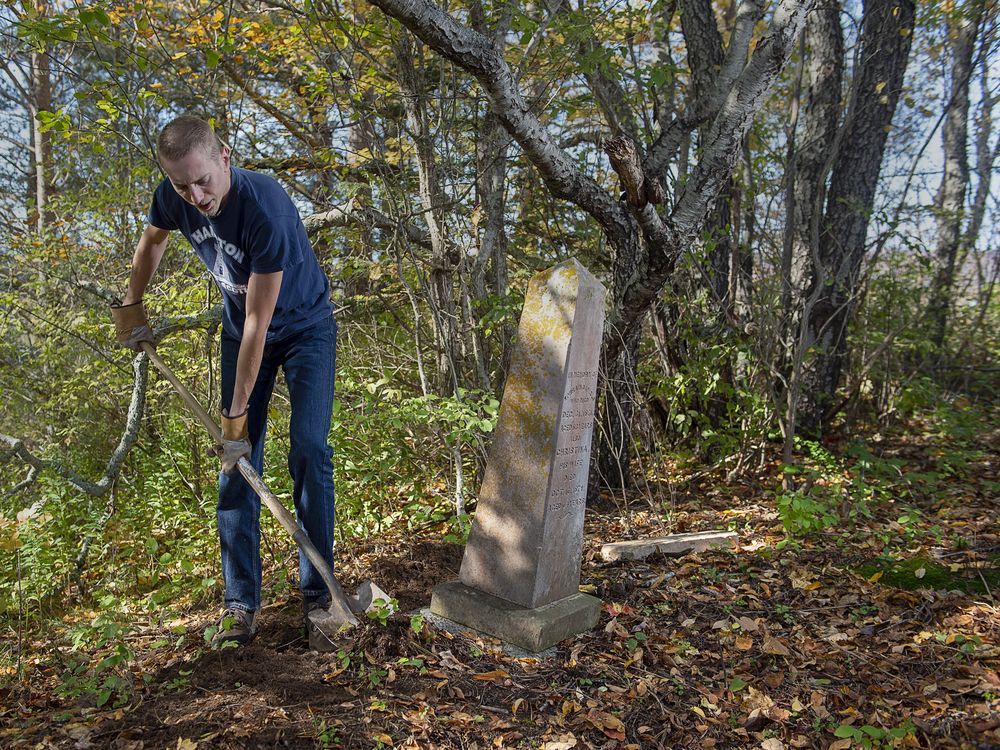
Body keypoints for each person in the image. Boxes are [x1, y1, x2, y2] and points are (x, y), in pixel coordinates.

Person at [111, 115, 337, 647]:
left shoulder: (266, 209)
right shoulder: (175, 195)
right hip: (240, 331)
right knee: (236, 466)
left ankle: (319, 594)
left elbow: (263, 324)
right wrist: (131, 302)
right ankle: (240, 602)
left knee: (308, 448)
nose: (195, 194)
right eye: (181, 184)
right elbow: (153, 243)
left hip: (304, 328)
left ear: (225, 157)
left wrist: (235, 417)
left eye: (202, 180)